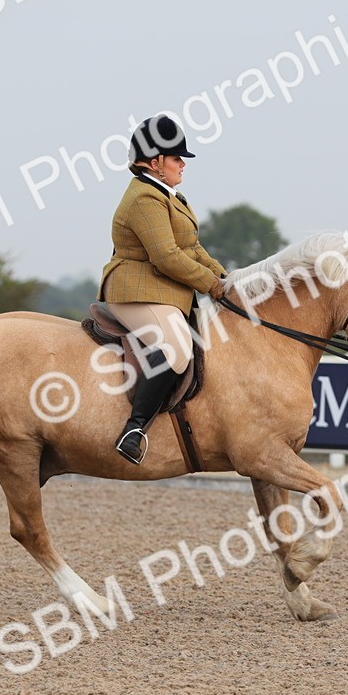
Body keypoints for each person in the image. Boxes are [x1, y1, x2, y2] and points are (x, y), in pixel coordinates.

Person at [97, 114, 227, 464]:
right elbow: (167, 257)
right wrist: (212, 287)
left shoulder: (170, 196)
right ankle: (134, 429)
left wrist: (227, 279)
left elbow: (192, 248)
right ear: (155, 163)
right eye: (175, 158)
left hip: (163, 293)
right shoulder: (144, 198)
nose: (182, 164)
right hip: (134, 291)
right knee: (177, 347)